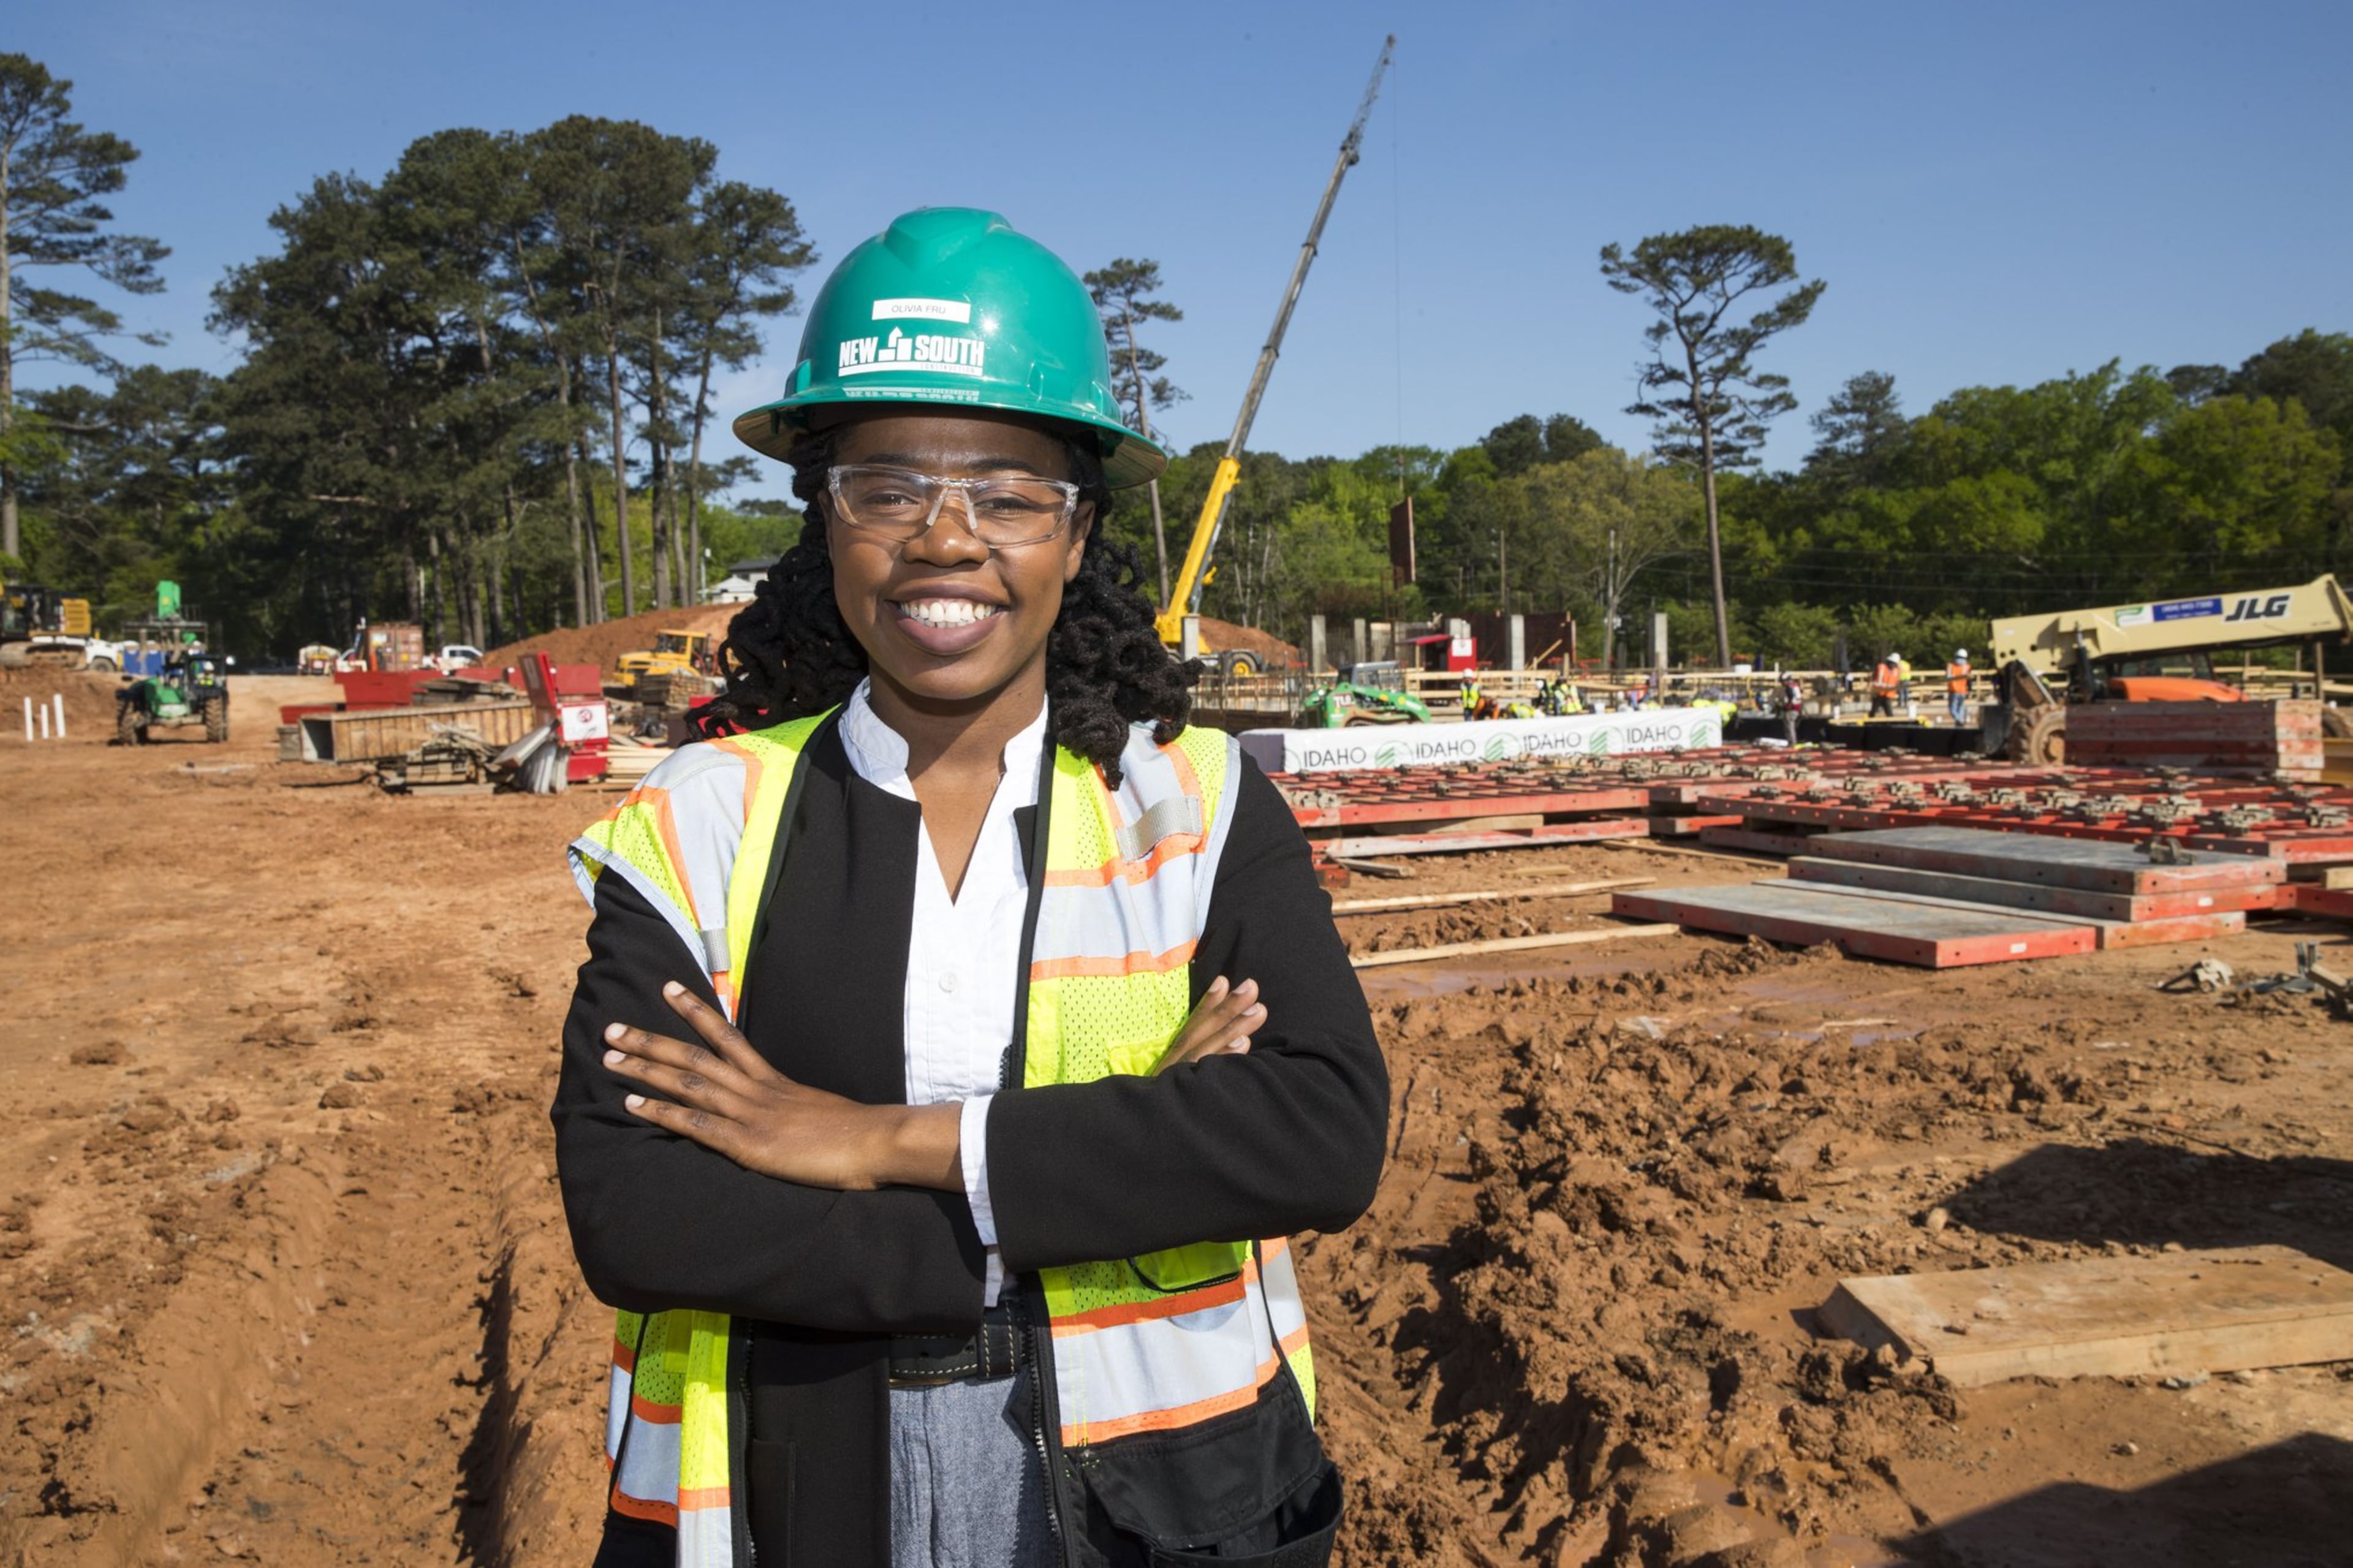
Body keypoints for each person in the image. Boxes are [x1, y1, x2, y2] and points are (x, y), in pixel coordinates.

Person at [553, 208, 1387, 1568]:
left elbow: (1317, 1134)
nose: (947, 539)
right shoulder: (701, 821)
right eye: (889, 487)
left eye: (1007, 493)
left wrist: (870, 1142)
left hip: (1159, 1502)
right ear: (826, 521)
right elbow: (641, 1213)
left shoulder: (1197, 802)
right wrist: (1113, 1167)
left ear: (1079, 530)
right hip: (802, 1487)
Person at [1946, 648, 1972, 727]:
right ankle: (1959, 723)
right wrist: (1970, 690)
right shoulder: (1967, 667)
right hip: (1963, 691)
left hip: (1953, 690)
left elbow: (1947, 677)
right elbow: (1969, 681)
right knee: (1960, 708)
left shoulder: (1950, 666)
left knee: (1952, 708)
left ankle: (1959, 720)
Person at [1869, 654, 1901, 718]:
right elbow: (1873, 677)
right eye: (1892, 663)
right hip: (1878, 694)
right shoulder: (1881, 668)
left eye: (1895, 664)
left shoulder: (1896, 672)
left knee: (1889, 713)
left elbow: (1897, 682)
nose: (1893, 665)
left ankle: (1890, 725)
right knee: (1873, 712)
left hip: (1888, 695)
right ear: (1889, 662)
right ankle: (1869, 725)